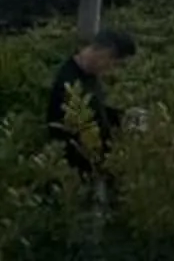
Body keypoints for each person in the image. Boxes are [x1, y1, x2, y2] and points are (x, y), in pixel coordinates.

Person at [47, 29, 135, 181]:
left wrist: (122, 117)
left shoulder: (89, 76)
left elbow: (95, 110)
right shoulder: (70, 84)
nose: (111, 69)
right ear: (105, 52)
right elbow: (78, 131)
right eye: (113, 63)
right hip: (80, 171)